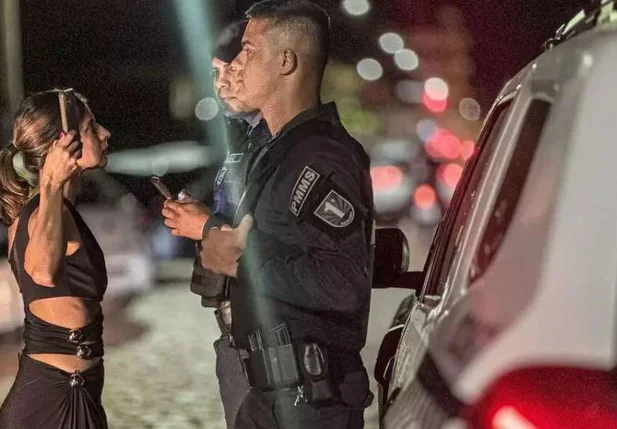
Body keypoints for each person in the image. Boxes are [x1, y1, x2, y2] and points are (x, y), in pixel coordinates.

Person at [197, 1, 375, 428]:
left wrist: (241, 262)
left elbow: (344, 282)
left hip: (312, 401)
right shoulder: (278, 153)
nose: (238, 63)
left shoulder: (319, 157)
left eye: (249, 50)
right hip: (274, 397)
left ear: (286, 61)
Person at [161, 20, 271, 429]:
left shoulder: (285, 146)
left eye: (232, 70)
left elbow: (282, 250)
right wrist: (203, 218)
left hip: (272, 345)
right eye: (215, 74)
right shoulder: (244, 142)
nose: (223, 84)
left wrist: (208, 227)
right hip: (235, 335)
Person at [0, 89, 111, 429]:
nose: (105, 134)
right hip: (53, 401)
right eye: (92, 127)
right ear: (63, 144)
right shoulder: (40, 214)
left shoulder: (56, 212)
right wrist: (50, 182)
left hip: (71, 394)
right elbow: (41, 271)